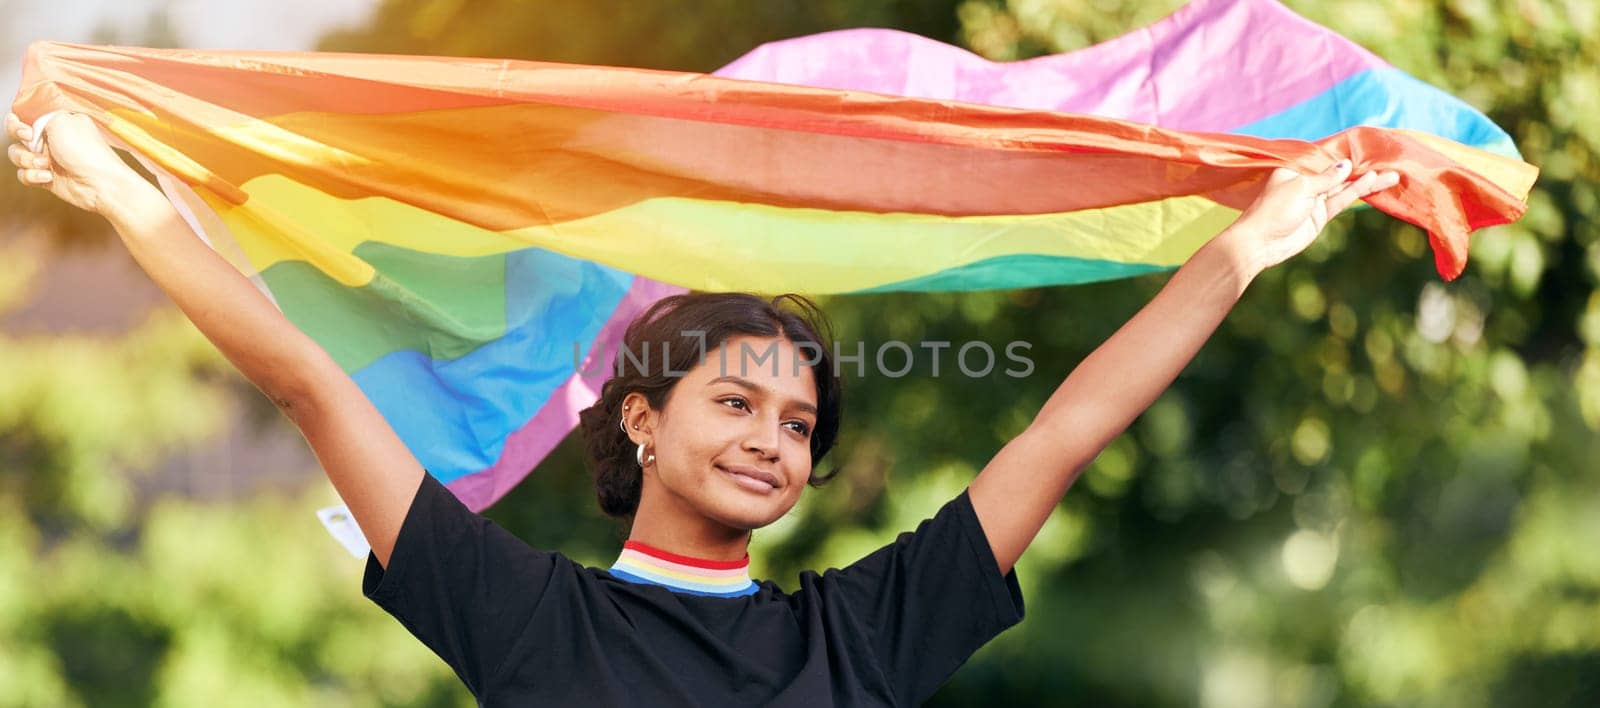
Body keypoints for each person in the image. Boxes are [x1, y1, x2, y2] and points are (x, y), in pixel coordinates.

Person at [6, 110, 1398, 706]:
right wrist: (127, 192)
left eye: (796, 424)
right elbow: (308, 378)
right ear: (639, 424)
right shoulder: (527, 620)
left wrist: (1247, 248)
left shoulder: (860, 637)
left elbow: (1063, 431)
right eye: (737, 401)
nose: (771, 440)